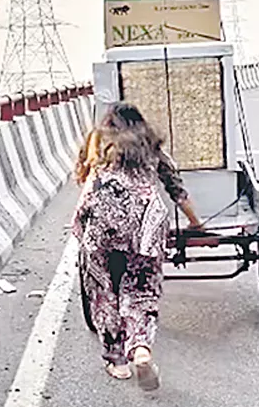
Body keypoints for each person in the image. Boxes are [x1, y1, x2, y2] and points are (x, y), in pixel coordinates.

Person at [71, 102, 201, 391]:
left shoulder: (96, 142)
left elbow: (82, 179)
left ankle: (117, 361)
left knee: (103, 292)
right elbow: (177, 190)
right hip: (145, 224)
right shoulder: (150, 146)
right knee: (141, 290)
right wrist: (197, 223)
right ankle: (140, 349)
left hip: (102, 223)